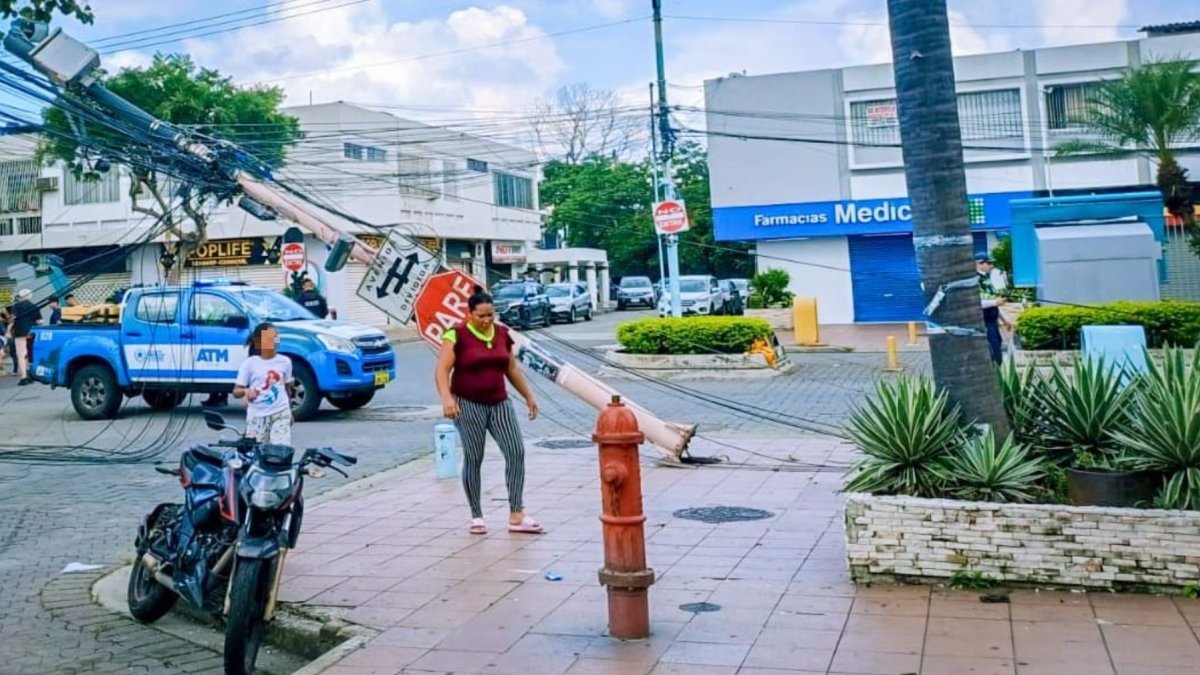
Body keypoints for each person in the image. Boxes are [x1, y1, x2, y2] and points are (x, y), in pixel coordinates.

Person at [435, 284, 542, 535]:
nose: (486, 320)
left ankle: (516, 513)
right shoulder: (456, 334)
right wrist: (447, 399)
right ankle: (476, 515)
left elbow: (511, 368)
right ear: (469, 314)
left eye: (490, 315)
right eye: (480, 316)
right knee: (474, 457)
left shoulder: (502, 333)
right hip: (467, 403)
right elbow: (442, 370)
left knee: (515, 451)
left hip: (499, 402)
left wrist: (528, 395)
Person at [234, 322, 295, 446]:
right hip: (257, 415)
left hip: (280, 413)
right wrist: (246, 392)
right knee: (257, 454)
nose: (273, 341)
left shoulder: (285, 362)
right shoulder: (249, 364)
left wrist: (290, 412)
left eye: (275, 338)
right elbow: (236, 391)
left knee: (279, 451)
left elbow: (287, 389)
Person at [976, 253, 1008, 365]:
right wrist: (995, 302)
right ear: (979, 263)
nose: (991, 265)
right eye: (988, 263)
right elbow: (976, 303)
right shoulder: (976, 280)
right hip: (984, 321)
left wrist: (1004, 320)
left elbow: (993, 300)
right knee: (993, 348)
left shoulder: (987, 279)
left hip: (993, 320)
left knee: (998, 343)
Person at [10, 289, 40, 385]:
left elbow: (12, 319)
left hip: (20, 332)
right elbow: (40, 321)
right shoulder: (34, 306)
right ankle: (30, 374)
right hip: (31, 332)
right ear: (30, 296)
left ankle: (24, 377)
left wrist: (8, 330)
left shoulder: (16, 306)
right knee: (29, 353)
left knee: (20, 355)